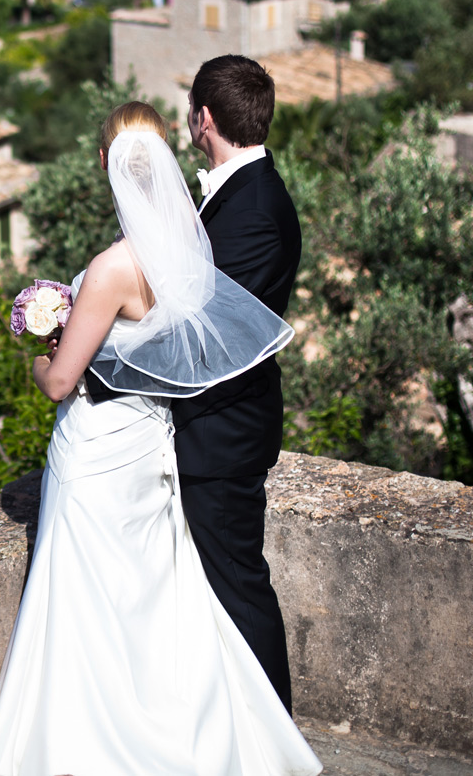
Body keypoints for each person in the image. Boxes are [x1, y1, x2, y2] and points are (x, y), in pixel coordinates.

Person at [0, 101, 318, 776]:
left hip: (97, 448)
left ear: (105, 164)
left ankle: (98, 741)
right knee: (149, 595)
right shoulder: (188, 256)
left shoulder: (111, 267)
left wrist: (42, 352)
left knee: (86, 600)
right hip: (150, 443)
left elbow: (60, 381)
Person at [176, 55, 303, 712]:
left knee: (239, 586)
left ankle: (273, 735)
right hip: (208, 428)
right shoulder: (239, 192)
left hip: (222, 431)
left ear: (205, 118)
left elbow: (209, 328)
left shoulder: (254, 208)